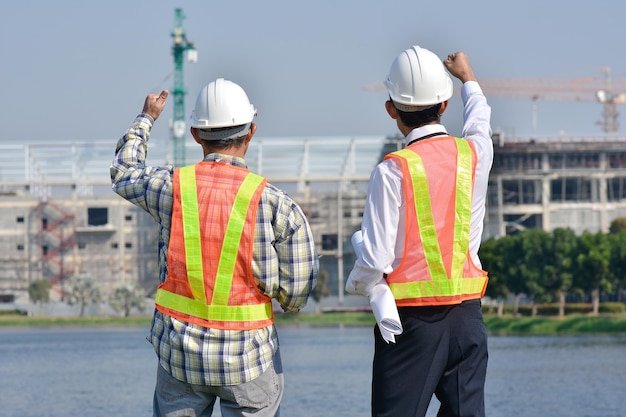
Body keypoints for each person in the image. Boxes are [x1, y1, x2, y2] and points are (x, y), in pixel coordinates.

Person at [110, 78, 319, 417]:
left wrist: (146, 118)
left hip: (179, 354)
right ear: (250, 132)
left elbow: (123, 172)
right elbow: (295, 297)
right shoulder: (277, 205)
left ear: (196, 135)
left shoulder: (171, 189)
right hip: (249, 358)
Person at [346, 46, 493, 417]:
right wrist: (469, 79)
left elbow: (376, 258)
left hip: (411, 325)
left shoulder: (392, 170)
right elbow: (479, 121)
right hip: (467, 319)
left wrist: (361, 284)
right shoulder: (474, 155)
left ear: (391, 109)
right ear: (444, 104)